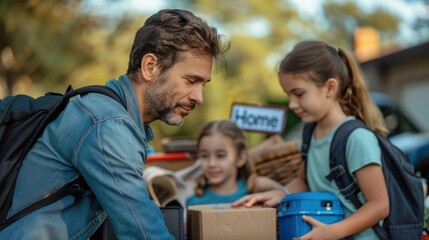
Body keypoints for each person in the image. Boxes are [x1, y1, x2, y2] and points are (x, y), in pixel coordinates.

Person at [0, 9, 227, 239]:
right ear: (150, 67)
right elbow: (144, 232)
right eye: (191, 81)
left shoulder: (107, 111)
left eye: (203, 85)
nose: (199, 97)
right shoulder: (108, 125)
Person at [232, 40, 390, 240]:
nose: (292, 104)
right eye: (288, 95)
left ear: (330, 88)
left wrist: (333, 232)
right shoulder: (310, 132)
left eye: (299, 94)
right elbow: (305, 180)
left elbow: (379, 205)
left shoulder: (356, 138)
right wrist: (282, 193)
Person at [187, 120, 283, 206]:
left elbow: (287, 197)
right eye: (204, 156)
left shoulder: (255, 189)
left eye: (220, 155)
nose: (211, 164)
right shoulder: (194, 202)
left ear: (240, 158)